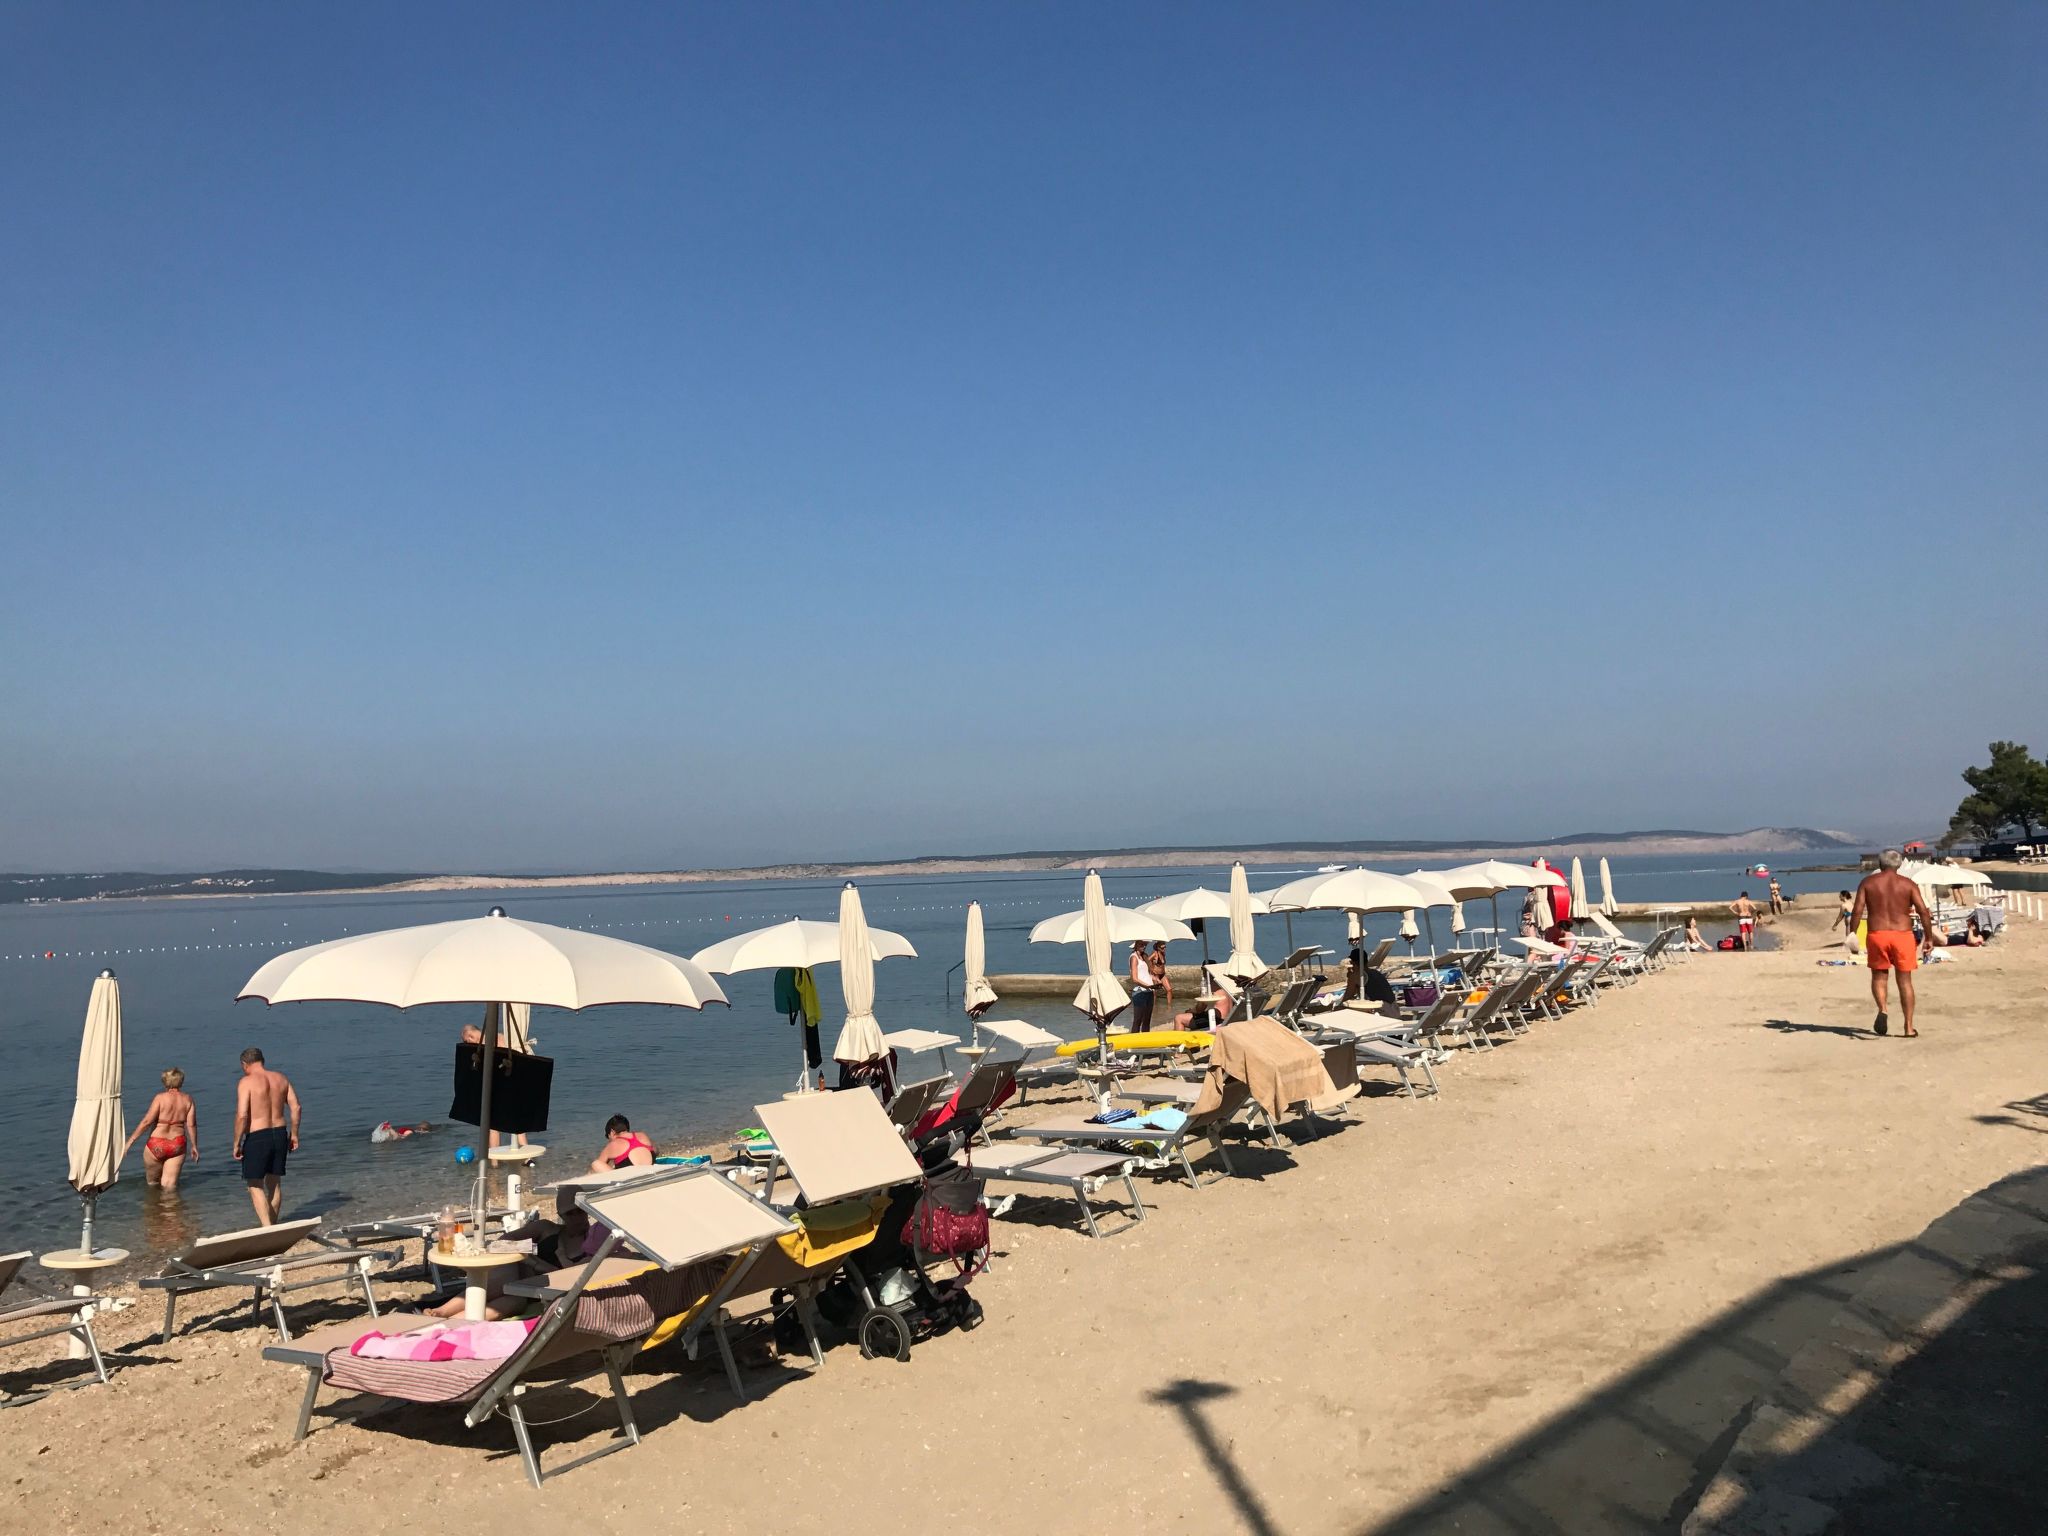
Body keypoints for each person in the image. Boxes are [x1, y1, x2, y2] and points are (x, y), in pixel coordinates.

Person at [1850, 849, 1939, 1037]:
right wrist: (1929, 938)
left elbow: (1857, 910)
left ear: (1880, 864)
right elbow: (1923, 911)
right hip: (1902, 934)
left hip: (1877, 934)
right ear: (1898, 865)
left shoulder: (1868, 882)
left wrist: (1852, 932)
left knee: (1879, 977)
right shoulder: (1908, 884)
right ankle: (1908, 1027)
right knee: (1905, 981)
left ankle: (1883, 1009)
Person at [233, 1047, 301, 1226]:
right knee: (275, 1184)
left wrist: (236, 1143)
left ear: (244, 1064)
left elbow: (242, 1115)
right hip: (279, 1133)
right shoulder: (281, 1078)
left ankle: (267, 1230)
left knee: (255, 1185)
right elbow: (296, 1107)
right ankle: (273, 1226)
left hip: (257, 1136)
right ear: (262, 1060)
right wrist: (294, 1134)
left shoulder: (246, 1082)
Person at [122, 1068, 198, 1190]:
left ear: (165, 1082)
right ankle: (171, 1208)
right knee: (169, 1188)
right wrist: (194, 1146)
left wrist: (129, 1142)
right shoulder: (188, 1099)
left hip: (156, 1143)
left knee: (152, 1185)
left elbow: (147, 1122)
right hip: (177, 1145)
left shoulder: (160, 1098)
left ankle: (154, 1207)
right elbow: (191, 1125)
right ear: (181, 1081)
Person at [589, 1114, 655, 1173]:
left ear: (612, 1132)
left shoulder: (612, 1145)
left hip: (629, 1179)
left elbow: (596, 1168)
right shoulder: (642, 1135)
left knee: (595, 1164)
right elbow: (655, 1151)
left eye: (609, 1138)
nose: (610, 1141)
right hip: (649, 1171)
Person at [1127, 941, 1156, 1033]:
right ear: (1136, 945)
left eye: (1145, 945)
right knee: (1138, 1020)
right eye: (1141, 945)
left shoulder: (1144, 956)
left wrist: (1156, 980)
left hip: (1149, 991)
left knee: (1147, 1020)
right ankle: (1133, 1042)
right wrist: (1147, 985)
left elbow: (1146, 974)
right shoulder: (1134, 958)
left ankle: (1145, 1042)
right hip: (1140, 991)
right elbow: (1134, 978)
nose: (1143, 946)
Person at [1147, 940, 1171, 1012]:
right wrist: (1151, 969)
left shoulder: (1163, 953)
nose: (1164, 949)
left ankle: (1169, 1007)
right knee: (1154, 993)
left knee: (1169, 990)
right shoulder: (1155, 954)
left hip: (1162, 974)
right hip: (1155, 975)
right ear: (1158, 948)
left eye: (1165, 947)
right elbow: (1147, 960)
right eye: (1162, 948)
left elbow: (1162, 964)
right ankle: (1153, 1009)